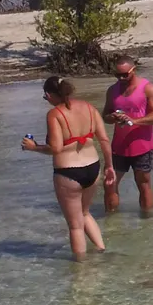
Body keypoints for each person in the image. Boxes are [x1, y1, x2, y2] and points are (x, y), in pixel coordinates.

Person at [22, 76, 114, 258]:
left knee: (75, 225)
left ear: (49, 95)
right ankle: (102, 251)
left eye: (45, 97)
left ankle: (80, 271)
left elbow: (55, 148)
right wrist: (109, 166)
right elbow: (104, 139)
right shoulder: (89, 107)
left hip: (69, 172)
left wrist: (34, 147)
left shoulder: (55, 114)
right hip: (93, 167)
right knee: (85, 213)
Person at [103, 55, 153, 214]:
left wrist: (134, 121)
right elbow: (105, 116)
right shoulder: (112, 90)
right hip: (119, 146)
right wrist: (113, 117)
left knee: (143, 184)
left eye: (125, 74)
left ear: (133, 70)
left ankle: (148, 223)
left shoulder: (148, 88)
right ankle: (111, 222)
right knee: (109, 183)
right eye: (118, 75)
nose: (121, 78)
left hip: (142, 146)